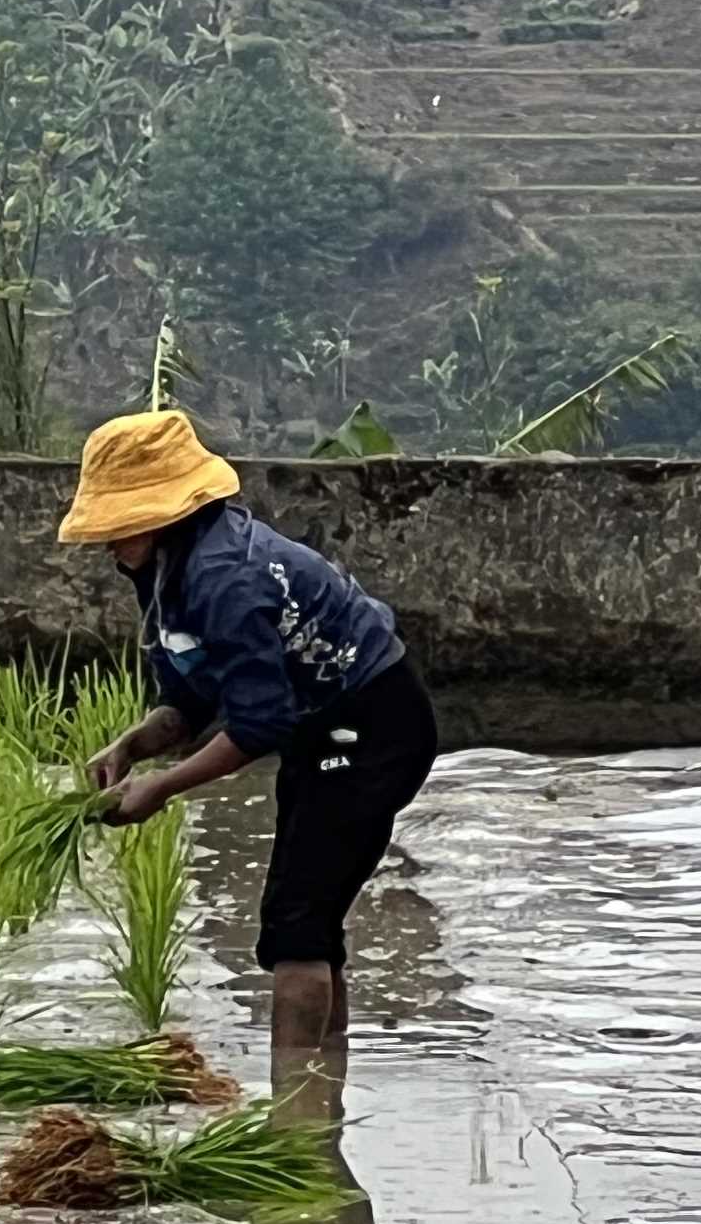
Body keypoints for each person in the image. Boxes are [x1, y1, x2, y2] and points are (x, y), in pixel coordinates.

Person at [63, 407, 439, 1100]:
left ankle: (294, 1124)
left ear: (159, 513)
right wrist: (133, 746)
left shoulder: (223, 576)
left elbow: (258, 724)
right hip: (323, 729)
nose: (106, 543)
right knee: (309, 913)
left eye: (116, 525)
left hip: (366, 728)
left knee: (297, 921)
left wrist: (162, 788)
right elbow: (197, 700)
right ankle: (322, 1095)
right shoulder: (168, 570)